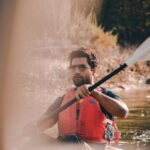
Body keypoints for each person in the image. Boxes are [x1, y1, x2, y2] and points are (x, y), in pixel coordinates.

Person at [22, 47, 128, 148]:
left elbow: (123, 112)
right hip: (64, 147)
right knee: (35, 139)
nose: (76, 71)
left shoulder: (105, 95)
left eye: (82, 67)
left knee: (71, 140)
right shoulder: (62, 99)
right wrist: (32, 127)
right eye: (73, 68)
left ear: (93, 70)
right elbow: (44, 122)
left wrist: (94, 93)